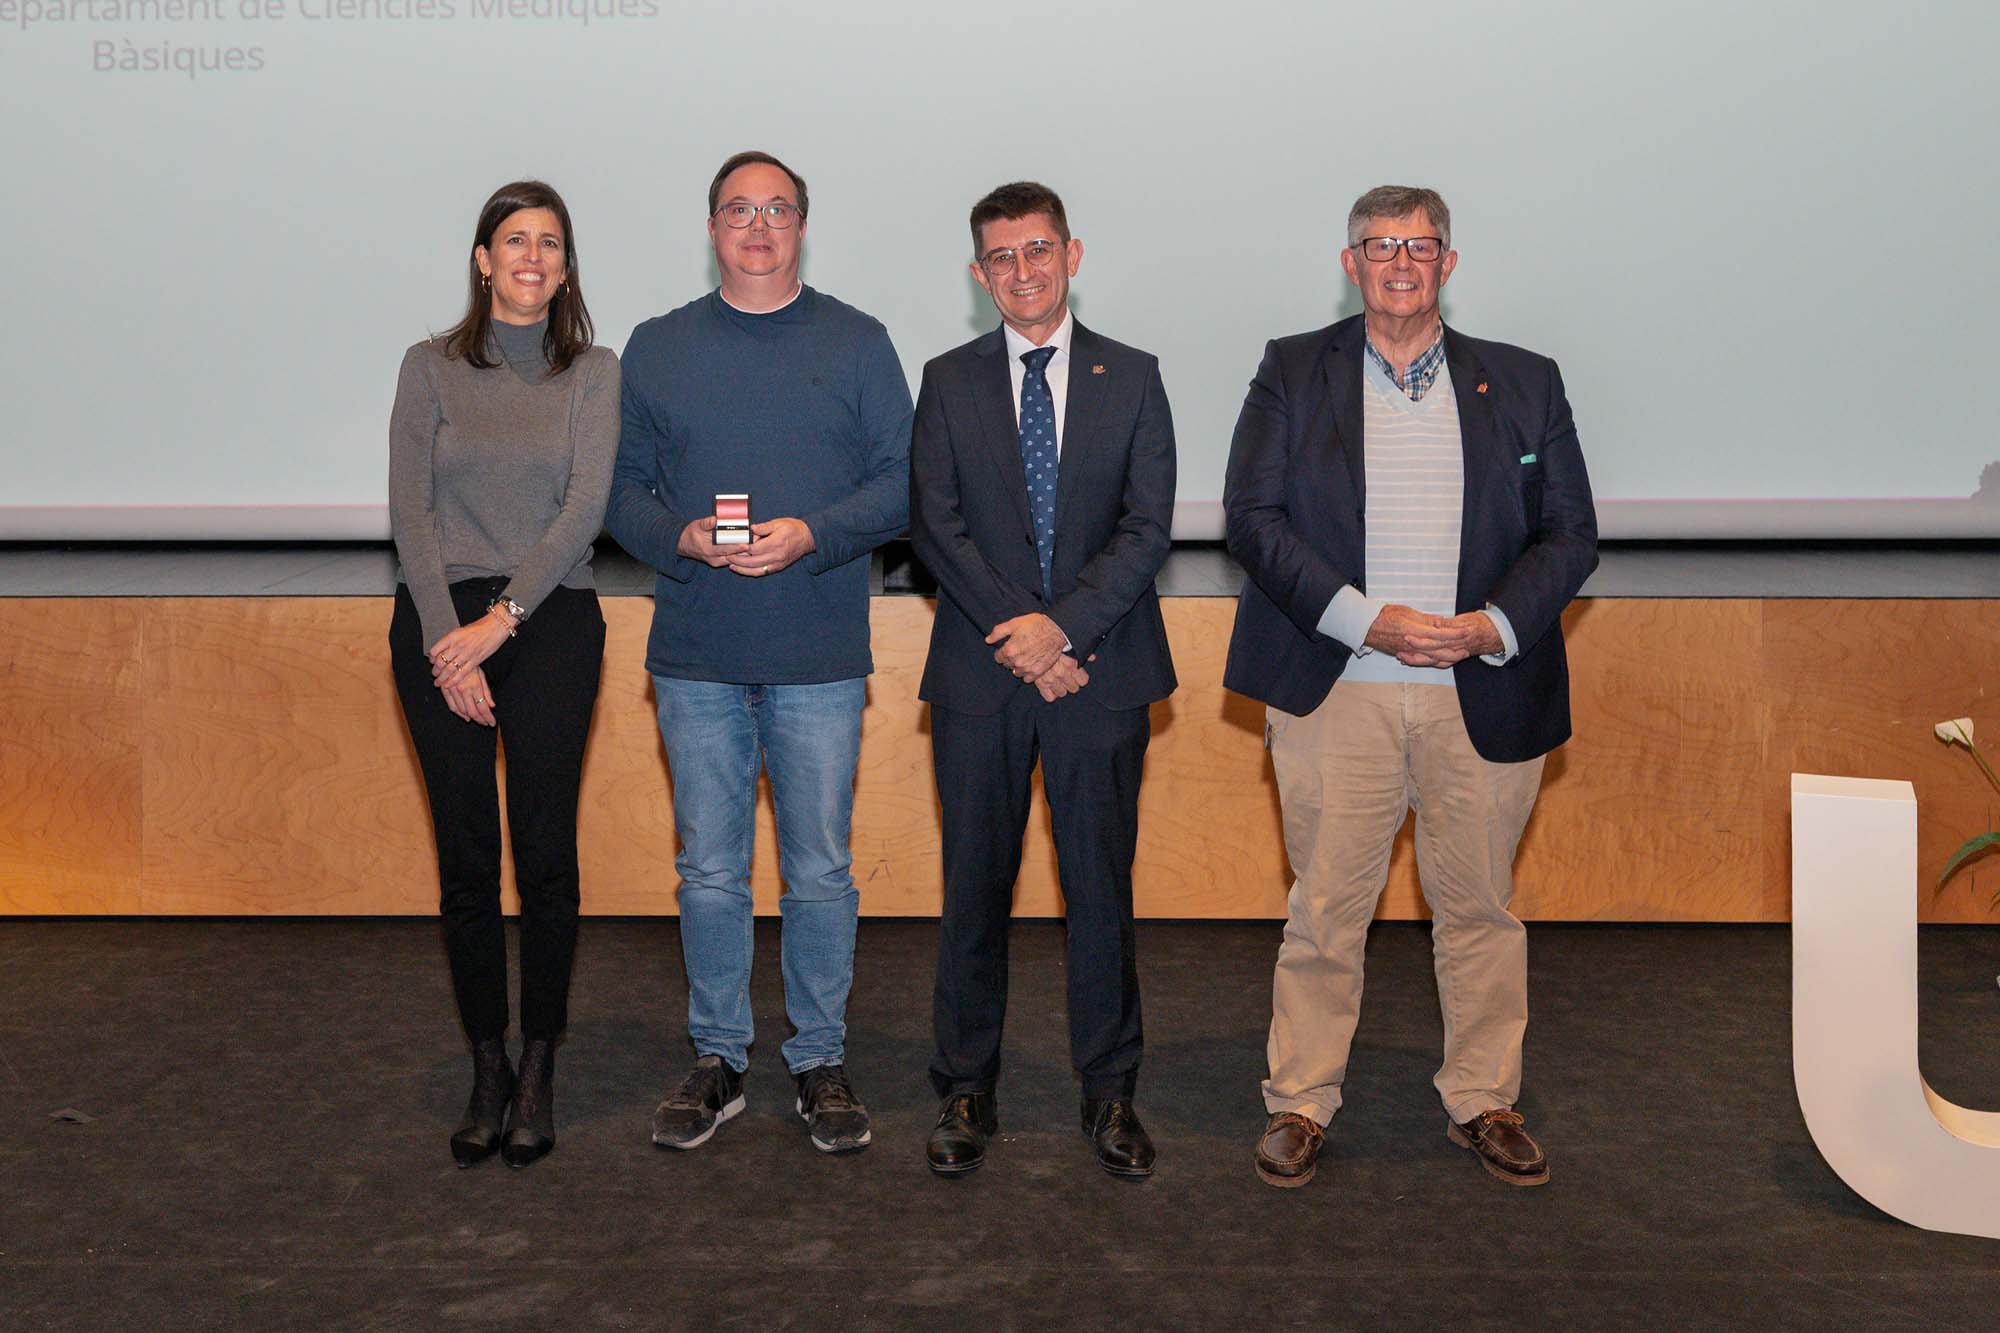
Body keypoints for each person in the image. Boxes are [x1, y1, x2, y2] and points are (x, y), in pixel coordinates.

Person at [1223, 185, 1597, 1189]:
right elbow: (1252, 518)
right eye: (1380, 245)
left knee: (1479, 909)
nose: (1400, 262)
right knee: (1325, 907)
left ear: (1448, 263)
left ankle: (1483, 1097)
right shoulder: (1291, 368)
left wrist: (1489, 626)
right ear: (1349, 263)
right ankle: (1300, 1100)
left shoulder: (1525, 380)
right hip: (1337, 683)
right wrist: (1365, 618)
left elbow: (1570, 534)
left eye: (1420, 245)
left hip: (1480, 686)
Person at [606, 150, 912, 1156]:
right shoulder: (657, 347)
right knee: (709, 870)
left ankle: (819, 1059)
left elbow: (903, 483)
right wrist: (682, 538)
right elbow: (620, 492)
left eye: (777, 209)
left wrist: (812, 532)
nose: (758, 226)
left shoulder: (858, 341)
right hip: (696, 654)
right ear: (711, 229)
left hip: (818, 653)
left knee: (819, 868)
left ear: (802, 228)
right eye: (739, 210)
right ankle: (719, 1056)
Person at [909, 182, 1177, 1179]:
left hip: (1099, 674)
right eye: (1001, 257)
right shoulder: (947, 380)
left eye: (1037, 250)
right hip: (981, 677)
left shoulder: (1133, 376)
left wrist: (1061, 631)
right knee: (972, 888)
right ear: (978, 275)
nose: (1021, 270)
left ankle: (1109, 1092)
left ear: (1072, 254)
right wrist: (1021, 635)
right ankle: (964, 1088)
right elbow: (937, 525)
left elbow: (1146, 525)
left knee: (1099, 891)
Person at [388, 180, 618, 1169]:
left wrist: (500, 623)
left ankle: (538, 1063)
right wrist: (451, 642)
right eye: (515, 240)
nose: (532, 256)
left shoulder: (594, 372)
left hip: (550, 621)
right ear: (483, 260)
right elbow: (411, 512)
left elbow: (583, 510)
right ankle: (486, 1063)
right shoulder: (429, 367)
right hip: (439, 626)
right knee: (467, 859)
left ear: (566, 268)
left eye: (550, 243)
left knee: (545, 852)